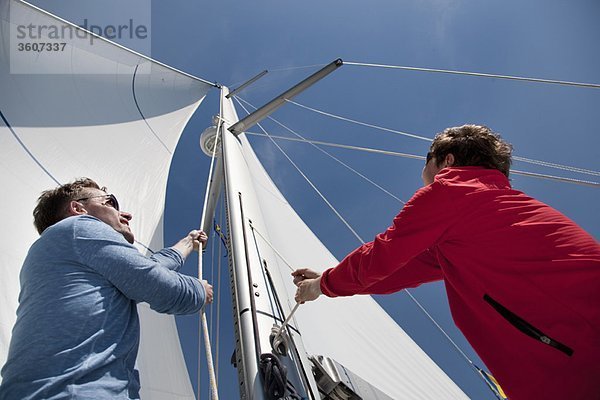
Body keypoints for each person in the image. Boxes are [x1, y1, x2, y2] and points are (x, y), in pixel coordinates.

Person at [292, 125, 600, 400]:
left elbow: (382, 256)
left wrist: (322, 286)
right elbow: (395, 270)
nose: (423, 171)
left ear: (448, 161)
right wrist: (327, 279)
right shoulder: (485, 206)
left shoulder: (452, 189)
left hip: (577, 348)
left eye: (426, 160)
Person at [0, 178, 213, 400]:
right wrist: (198, 289)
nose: (127, 215)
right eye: (110, 202)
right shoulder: (79, 227)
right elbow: (156, 284)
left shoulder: (62, 247)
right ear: (78, 208)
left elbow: (146, 270)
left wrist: (188, 242)